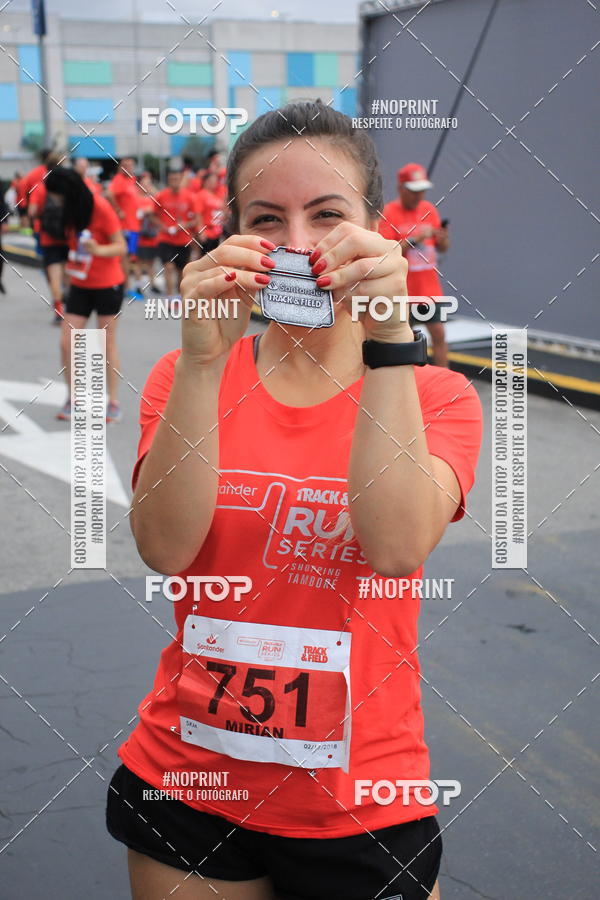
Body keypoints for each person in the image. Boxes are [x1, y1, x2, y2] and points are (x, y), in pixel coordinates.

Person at [105, 100, 483, 900]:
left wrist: (389, 338)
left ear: (377, 229)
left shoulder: (438, 395)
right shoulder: (186, 379)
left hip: (360, 799)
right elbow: (164, 548)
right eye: (268, 219)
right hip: (188, 778)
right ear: (232, 232)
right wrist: (204, 359)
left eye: (328, 214)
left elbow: (395, 547)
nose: (300, 247)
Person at [44, 167, 127, 423]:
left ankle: (112, 402)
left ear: (67, 193)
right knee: (66, 342)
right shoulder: (70, 211)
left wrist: (98, 249)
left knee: (105, 344)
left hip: (108, 284)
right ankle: (73, 398)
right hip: (80, 285)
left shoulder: (100, 207)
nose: (54, 200)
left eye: (56, 195)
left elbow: (121, 246)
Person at [379, 164, 450, 367]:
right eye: (413, 191)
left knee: (439, 334)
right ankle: (407, 384)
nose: (418, 196)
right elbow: (388, 252)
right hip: (403, 290)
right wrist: (415, 239)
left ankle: (445, 382)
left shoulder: (429, 210)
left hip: (430, 289)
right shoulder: (389, 213)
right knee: (404, 340)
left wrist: (443, 238)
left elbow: (443, 248)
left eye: (422, 191)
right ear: (401, 188)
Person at [28, 172, 70, 324]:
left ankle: (59, 309)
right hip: (67, 237)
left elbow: (32, 211)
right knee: (67, 272)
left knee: (54, 274)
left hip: (48, 237)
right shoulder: (68, 187)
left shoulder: (40, 188)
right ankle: (70, 302)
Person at [151, 169, 198, 297]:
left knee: (181, 271)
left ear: (181, 180)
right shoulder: (161, 196)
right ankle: (170, 296)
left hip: (183, 239)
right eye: (172, 179)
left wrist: (185, 225)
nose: (174, 182)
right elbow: (152, 215)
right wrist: (163, 227)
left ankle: (179, 295)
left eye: (177, 179)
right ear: (168, 180)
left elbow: (196, 219)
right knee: (168, 266)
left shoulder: (189, 197)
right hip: (165, 238)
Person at [106, 157, 142, 297]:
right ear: (120, 167)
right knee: (125, 258)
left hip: (134, 226)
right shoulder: (119, 180)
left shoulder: (131, 180)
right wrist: (118, 210)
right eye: (125, 165)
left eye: (131, 165)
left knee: (130, 258)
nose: (128, 167)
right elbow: (109, 194)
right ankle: (125, 287)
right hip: (125, 227)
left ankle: (126, 286)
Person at [136, 172, 161, 294]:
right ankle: (138, 285)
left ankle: (153, 284)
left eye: (149, 183)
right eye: (144, 183)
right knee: (139, 261)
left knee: (151, 261)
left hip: (152, 235)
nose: (147, 186)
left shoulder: (153, 198)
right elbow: (136, 214)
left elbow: (160, 205)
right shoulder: (136, 198)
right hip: (141, 234)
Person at [193, 170, 225, 257]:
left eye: (215, 181)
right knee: (205, 257)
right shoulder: (201, 195)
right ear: (206, 181)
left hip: (217, 231)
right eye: (212, 181)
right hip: (207, 232)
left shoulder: (216, 195)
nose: (214, 183)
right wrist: (201, 231)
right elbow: (198, 214)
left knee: (215, 256)